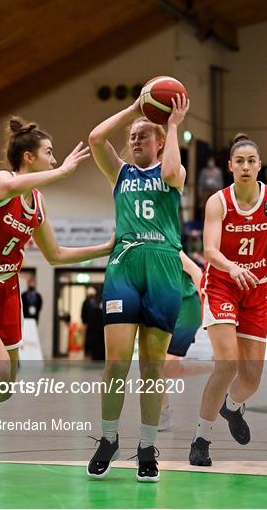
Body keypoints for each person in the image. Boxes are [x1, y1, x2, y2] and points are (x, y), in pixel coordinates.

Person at [0, 116, 115, 488]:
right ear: (29, 157)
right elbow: (17, 182)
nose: (55, 158)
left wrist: (105, 248)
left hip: (6, 291)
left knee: (5, 386)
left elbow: (56, 254)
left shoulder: (37, 203)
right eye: (49, 153)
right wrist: (64, 172)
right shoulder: (0, 183)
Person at [86, 92, 189, 482]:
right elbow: (96, 138)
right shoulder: (121, 173)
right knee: (116, 362)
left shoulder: (170, 169)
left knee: (151, 366)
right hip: (125, 263)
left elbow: (172, 174)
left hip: (163, 263)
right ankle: (109, 438)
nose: (135, 140)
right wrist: (135, 110)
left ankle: (147, 447)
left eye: (143, 135)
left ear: (160, 142)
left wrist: (172, 124)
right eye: (132, 136)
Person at [189, 133, 267, 467]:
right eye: (239, 161)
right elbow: (210, 249)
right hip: (223, 284)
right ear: (229, 166)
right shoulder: (218, 202)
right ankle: (201, 438)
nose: (245, 166)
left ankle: (232, 406)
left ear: (259, 165)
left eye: (251, 160)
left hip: (258, 288)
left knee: (251, 380)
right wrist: (231, 266)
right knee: (226, 364)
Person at [158, 251, 214, 431]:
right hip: (166, 309)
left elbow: (196, 272)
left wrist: (207, 307)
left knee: (158, 365)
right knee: (169, 369)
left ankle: (162, 417)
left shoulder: (168, 245)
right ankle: (220, 368)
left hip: (185, 307)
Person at [81, 286, 98, 357]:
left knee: (94, 337)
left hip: (95, 323)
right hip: (88, 323)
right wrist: (84, 322)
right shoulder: (85, 302)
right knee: (88, 337)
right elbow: (83, 313)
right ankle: (87, 351)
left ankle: (93, 351)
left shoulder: (96, 301)